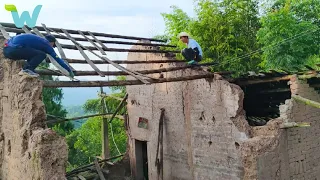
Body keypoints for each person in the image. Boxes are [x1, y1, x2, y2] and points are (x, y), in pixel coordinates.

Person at [3, 33, 74, 78]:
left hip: (6, 50)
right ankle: (27, 70)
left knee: (35, 53)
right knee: (42, 55)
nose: (52, 47)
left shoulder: (38, 40)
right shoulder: (46, 44)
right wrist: (69, 70)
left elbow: (30, 53)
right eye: (53, 45)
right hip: (15, 50)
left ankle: (27, 68)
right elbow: (57, 59)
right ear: (51, 42)